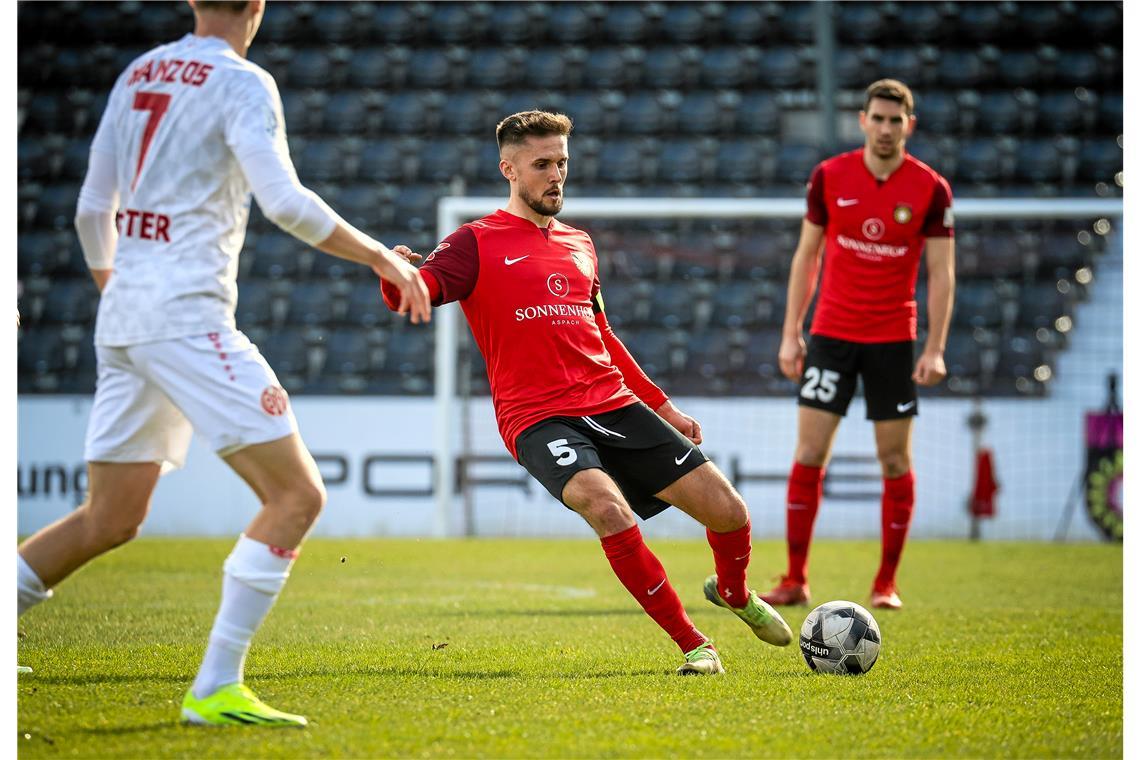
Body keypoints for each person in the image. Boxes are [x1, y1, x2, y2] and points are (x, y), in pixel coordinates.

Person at [16, 0, 431, 726]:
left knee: (109, 518)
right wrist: (378, 257)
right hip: (186, 317)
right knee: (297, 496)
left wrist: (117, 287)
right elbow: (285, 202)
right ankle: (214, 686)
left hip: (125, 317)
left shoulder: (139, 70)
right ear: (258, 7)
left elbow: (91, 208)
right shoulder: (241, 82)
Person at [380, 110, 793, 676]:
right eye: (542, 164)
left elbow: (602, 334)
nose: (556, 176)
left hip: (614, 402)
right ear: (509, 169)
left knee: (728, 512)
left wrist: (662, 404)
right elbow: (412, 296)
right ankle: (696, 646)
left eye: (562, 163)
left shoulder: (580, 243)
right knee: (608, 508)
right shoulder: (474, 242)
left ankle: (735, 593)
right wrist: (393, 271)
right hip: (538, 418)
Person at [760, 79, 956, 611]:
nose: (887, 128)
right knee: (809, 453)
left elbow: (942, 273)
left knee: (894, 461)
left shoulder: (931, 189)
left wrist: (934, 347)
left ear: (908, 126)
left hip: (893, 339)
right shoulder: (829, 176)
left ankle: (885, 583)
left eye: (897, 120)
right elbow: (807, 257)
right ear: (863, 121)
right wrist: (790, 332)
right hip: (830, 337)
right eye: (879, 118)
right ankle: (795, 577)